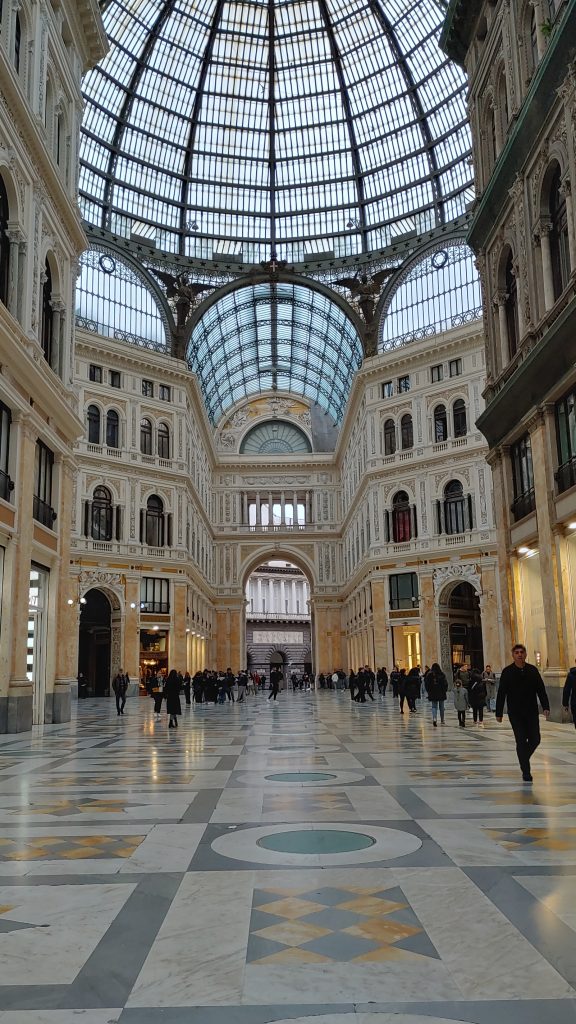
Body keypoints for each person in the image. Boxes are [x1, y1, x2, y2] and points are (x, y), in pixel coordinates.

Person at [495, 643, 550, 782]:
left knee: (535, 739)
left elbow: (541, 689)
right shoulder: (507, 672)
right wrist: (499, 712)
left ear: (525, 654)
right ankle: (526, 771)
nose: (519, 654)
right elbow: (501, 693)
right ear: (513, 655)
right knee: (520, 740)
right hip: (516, 713)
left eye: (521, 652)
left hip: (531, 712)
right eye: (517, 652)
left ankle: (523, 758)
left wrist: (546, 706)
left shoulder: (532, 670)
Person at [562, 659, 576, 727]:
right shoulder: (571, 675)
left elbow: (566, 690)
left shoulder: (571, 675)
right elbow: (566, 690)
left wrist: (565, 704)